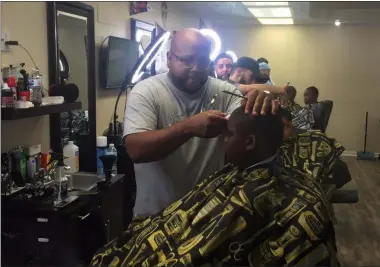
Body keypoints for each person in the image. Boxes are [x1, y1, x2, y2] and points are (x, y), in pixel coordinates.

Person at [92, 105, 343, 267]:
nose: (224, 140)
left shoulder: (260, 194)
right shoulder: (239, 173)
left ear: (249, 143)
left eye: (229, 135)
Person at [123, 28, 278, 216]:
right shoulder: (146, 92)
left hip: (205, 217)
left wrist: (263, 102)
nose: (195, 68)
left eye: (203, 62)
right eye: (186, 60)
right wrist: (187, 128)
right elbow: (136, 150)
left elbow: (248, 128)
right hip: (155, 217)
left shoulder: (224, 92)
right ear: (169, 58)